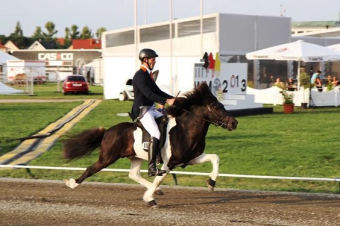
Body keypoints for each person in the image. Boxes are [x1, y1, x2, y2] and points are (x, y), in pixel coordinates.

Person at [130, 48, 175, 177]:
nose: (154, 62)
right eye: (153, 59)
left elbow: (158, 91)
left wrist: (173, 99)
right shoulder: (139, 75)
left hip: (152, 109)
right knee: (155, 133)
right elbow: (149, 94)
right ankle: (151, 167)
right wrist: (167, 100)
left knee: (167, 122)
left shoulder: (148, 75)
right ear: (145, 60)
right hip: (143, 111)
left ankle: (161, 155)